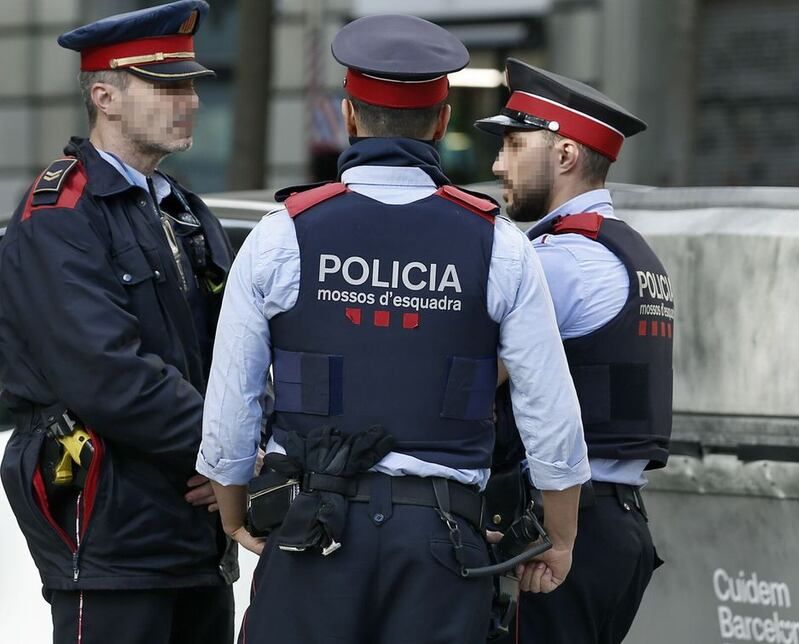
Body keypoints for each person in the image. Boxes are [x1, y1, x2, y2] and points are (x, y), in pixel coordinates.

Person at [197, 15, 590, 644]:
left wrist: (236, 512)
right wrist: (559, 535)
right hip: (441, 550)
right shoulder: (499, 245)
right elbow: (550, 411)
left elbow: (229, 408)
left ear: (350, 117)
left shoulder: (283, 235)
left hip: (309, 534)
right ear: (442, 121)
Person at [0, 2, 237, 642]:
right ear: (104, 96)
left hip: (194, 523)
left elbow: (234, 354)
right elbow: (105, 373)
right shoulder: (62, 212)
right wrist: (227, 455)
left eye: (190, 85)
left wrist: (238, 457)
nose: (188, 101)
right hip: (109, 522)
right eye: (166, 87)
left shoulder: (183, 209)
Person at [476, 58, 672, 644]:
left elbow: (469, 381)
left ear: (563, 157)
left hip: (558, 533)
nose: (496, 164)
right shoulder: (629, 251)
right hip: (615, 523)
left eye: (513, 146)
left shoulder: (556, 264)